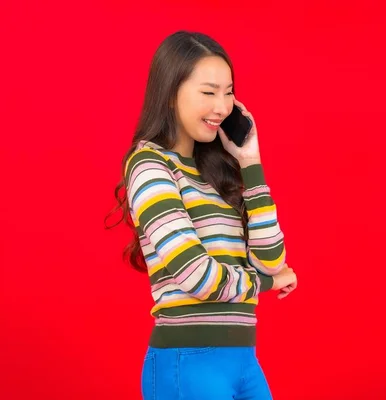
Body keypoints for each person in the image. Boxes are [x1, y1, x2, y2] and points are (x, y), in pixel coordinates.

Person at [105, 30, 298, 399]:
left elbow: (272, 259)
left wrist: (250, 162)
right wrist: (267, 284)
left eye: (228, 92)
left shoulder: (218, 171)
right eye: (208, 92)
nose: (222, 107)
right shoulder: (149, 165)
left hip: (244, 362)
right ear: (171, 93)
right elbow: (197, 276)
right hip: (187, 362)